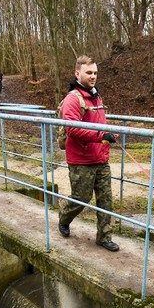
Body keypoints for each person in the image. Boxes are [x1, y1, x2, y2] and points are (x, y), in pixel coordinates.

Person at [57, 54, 120, 252]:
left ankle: (104, 237)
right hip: (81, 160)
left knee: (105, 200)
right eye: (89, 72)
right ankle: (64, 218)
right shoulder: (72, 99)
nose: (93, 76)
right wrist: (101, 136)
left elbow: (98, 124)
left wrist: (108, 135)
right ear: (77, 74)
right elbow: (72, 129)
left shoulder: (96, 96)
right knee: (81, 198)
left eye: (95, 73)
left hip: (101, 157)